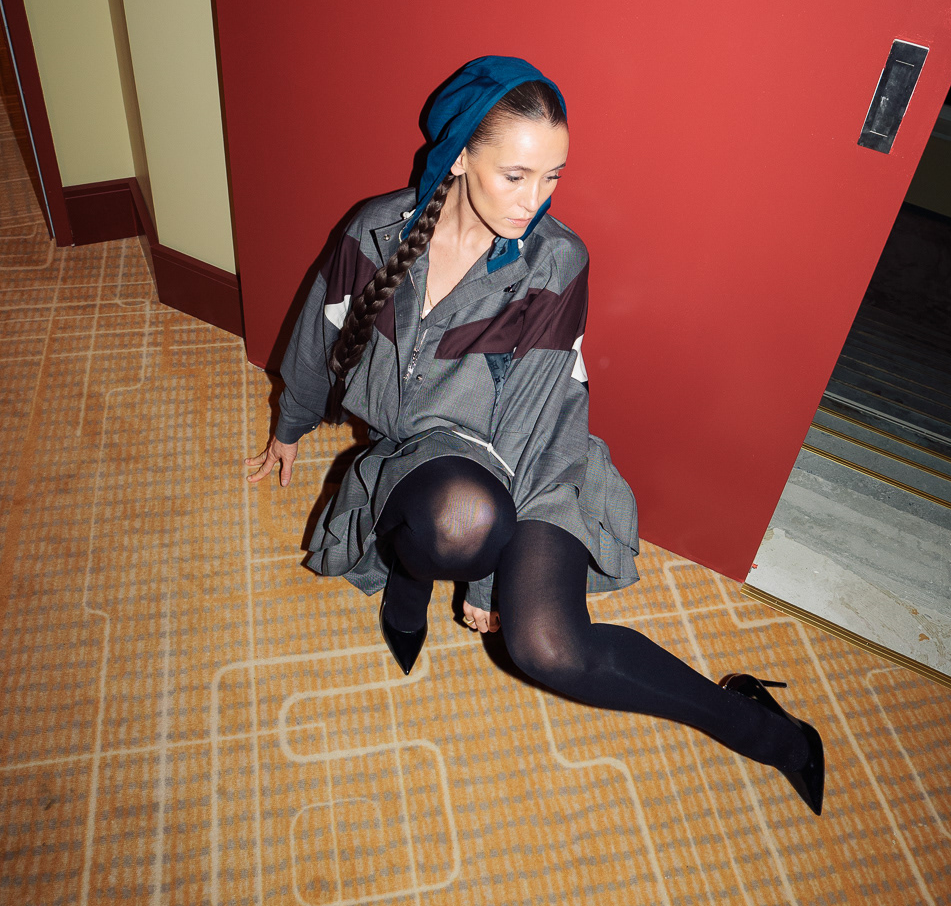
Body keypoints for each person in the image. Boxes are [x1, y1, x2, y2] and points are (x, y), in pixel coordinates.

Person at [246, 56, 824, 815]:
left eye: (552, 177)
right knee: (459, 518)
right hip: (428, 457)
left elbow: (530, 419)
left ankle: (774, 731)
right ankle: (410, 584)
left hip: (536, 453)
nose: (535, 200)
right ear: (460, 157)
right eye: (516, 176)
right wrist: (291, 425)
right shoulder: (375, 230)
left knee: (548, 646)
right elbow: (319, 330)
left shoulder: (556, 262)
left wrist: (490, 581)